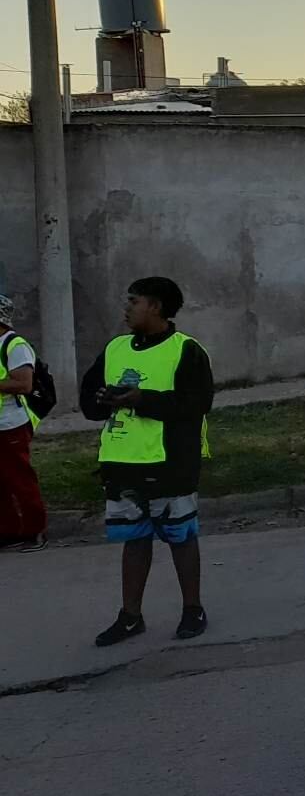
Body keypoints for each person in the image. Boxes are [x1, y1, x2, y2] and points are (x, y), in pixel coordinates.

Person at [81, 276, 215, 646]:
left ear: (155, 307)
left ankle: (192, 609)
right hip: (122, 462)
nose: (127, 308)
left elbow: (196, 405)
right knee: (134, 539)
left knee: (180, 536)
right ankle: (130, 616)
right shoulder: (115, 348)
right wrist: (106, 399)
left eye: (133, 301)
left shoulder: (186, 350)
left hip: (170, 464)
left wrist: (143, 399)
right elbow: (88, 402)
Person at [0, 293, 50, 551]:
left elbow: (23, 384)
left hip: (11, 424)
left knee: (20, 478)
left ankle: (35, 531)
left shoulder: (14, 344)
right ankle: (8, 531)